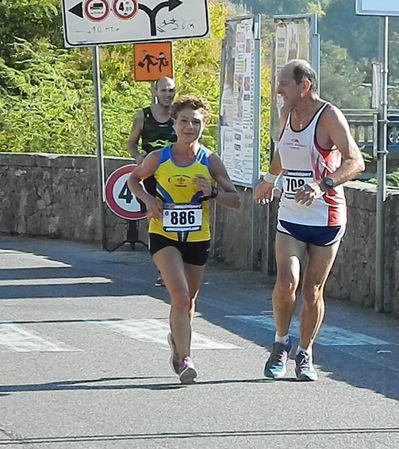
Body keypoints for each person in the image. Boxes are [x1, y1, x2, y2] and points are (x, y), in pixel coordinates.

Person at [254, 59, 365, 381]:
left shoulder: (329, 116)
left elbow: (355, 162)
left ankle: (305, 352)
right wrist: (269, 179)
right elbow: (283, 152)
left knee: (312, 290)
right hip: (290, 212)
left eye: (284, 84)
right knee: (287, 280)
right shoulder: (286, 113)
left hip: (326, 215)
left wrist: (322, 184)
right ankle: (279, 343)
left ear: (306, 86)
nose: (278, 90)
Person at [127, 96, 240, 384]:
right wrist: (148, 200)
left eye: (196, 122)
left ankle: (177, 344)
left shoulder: (210, 160)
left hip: (197, 236)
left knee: (189, 299)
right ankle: (186, 360)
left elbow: (235, 200)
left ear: (205, 125)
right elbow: (133, 179)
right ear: (174, 124)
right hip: (163, 234)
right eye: (184, 121)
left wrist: (212, 192)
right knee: (178, 295)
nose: (190, 127)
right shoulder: (160, 157)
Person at [127, 76, 178, 288]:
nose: (168, 95)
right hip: (151, 175)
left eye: (171, 90)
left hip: (176, 174)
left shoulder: (180, 116)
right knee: (157, 219)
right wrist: (138, 157)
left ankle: (177, 265)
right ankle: (162, 270)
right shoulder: (143, 116)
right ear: (156, 92)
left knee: (177, 217)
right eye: (164, 90)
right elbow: (131, 143)